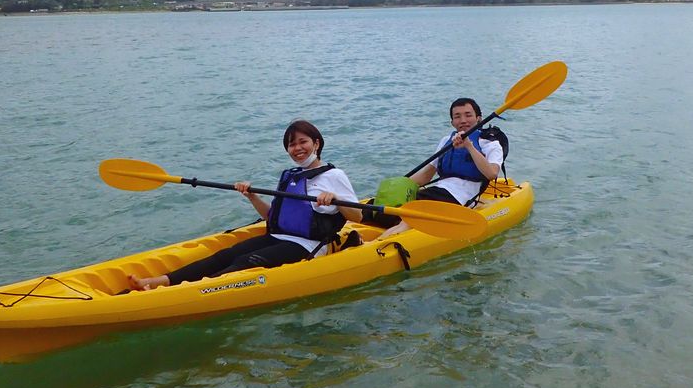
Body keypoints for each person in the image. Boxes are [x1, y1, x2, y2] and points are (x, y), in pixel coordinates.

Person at [128, 120, 360, 290]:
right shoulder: (291, 175)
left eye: (303, 142)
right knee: (224, 255)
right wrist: (252, 196)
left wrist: (336, 201)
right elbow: (273, 217)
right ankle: (160, 281)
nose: (297, 149)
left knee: (244, 262)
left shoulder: (334, 176)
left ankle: (177, 293)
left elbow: (358, 216)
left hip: (309, 245)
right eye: (291, 145)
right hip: (279, 237)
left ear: (316, 143)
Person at [377, 97, 503, 239]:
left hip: (460, 197)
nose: (463, 120)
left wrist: (469, 146)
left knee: (410, 218)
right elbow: (426, 175)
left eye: (468, 115)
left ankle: (377, 245)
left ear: (478, 118)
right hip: (438, 191)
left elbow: (491, 173)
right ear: (452, 122)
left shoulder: (490, 144)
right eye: (457, 116)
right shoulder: (446, 141)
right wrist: (398, 187)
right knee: (381, 209)